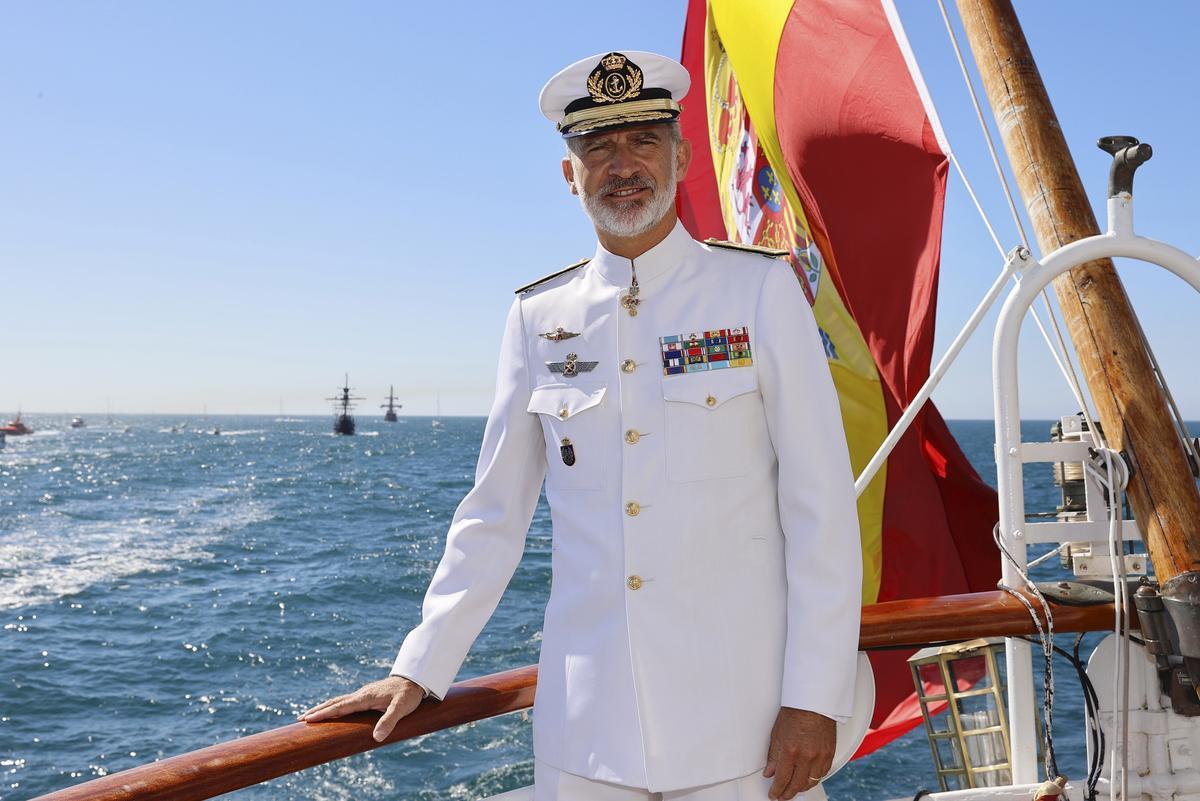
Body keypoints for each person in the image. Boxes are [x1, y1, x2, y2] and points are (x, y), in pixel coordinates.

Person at [300, 50, 862, 801]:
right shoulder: (538, 318)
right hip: (586, 738)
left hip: (744, 727)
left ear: (682, 156)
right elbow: (494, 513)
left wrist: (814, 698)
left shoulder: (757, 291)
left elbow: (821, 509)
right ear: (570, 173)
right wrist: (420, 665)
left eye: (642, 141)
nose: (621, 165)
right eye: (597, 146)